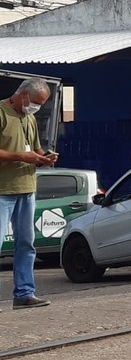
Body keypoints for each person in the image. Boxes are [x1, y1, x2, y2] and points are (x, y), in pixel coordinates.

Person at [0, 77, 55, 309]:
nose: (36, 108)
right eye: (35, 102)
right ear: (22, 95)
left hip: (27, 189)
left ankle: (24, 294)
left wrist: (45, 157)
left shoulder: (29, 118)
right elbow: (23, 153)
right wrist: (22, 157)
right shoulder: (2, 113)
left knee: (26, 244)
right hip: (2, 191)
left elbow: (35, 149)